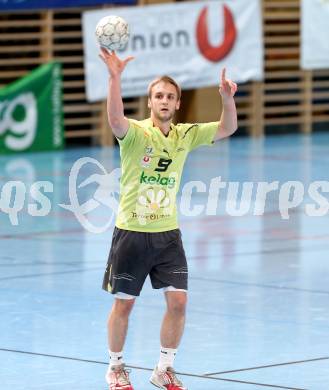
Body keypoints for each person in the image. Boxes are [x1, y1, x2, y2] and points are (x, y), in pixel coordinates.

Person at [99, 47, 238, 390]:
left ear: (177, 104)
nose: (164, 100)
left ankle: (164, 368)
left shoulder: (184, 135)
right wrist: (115, 79)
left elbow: (227, 127)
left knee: (178, 302)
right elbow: (115, 118)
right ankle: (115, 368)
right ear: (150, 103)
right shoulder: (135, 134)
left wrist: (226, 98)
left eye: (170, 96)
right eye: (158, 95)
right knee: (124, 306)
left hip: (168, 234)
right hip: (132, 232)